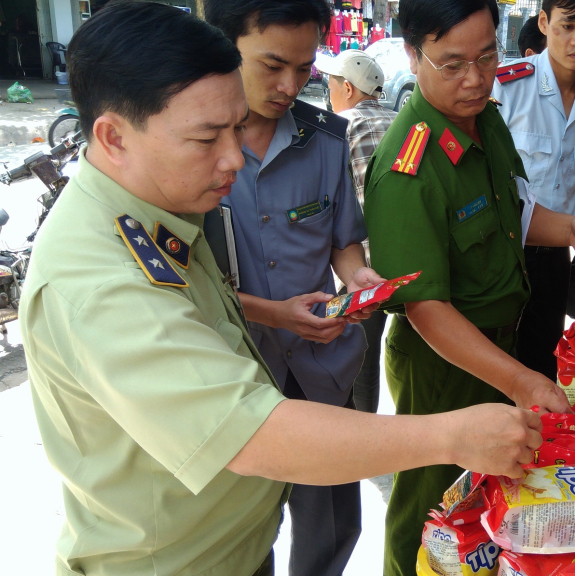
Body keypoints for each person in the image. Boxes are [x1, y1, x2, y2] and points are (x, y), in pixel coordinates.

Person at [21, 3, 544, 576]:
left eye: (234, 129)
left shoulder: (162, 211)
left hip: (233, 542)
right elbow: (253, 434)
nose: (231, 160)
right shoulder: (98, 281)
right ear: (113, 136)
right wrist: (452, 436)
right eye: (207, 138)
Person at [362, 1, 575, 574]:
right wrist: (522, 379)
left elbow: (513, 210)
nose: (474, 78)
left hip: (503, 342)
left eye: (486, 56)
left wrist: (568, 229)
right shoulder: (408, 168)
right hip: (443, 360)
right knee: (428, 506)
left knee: (481, 500)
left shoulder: (487, 119)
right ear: (411, 55)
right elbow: (425, 308)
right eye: (452, 64)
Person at [202, 2, 379, 574]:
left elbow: (342, 240)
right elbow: (179, 283)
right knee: (241, 528)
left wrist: (358, 279)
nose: (288, 86)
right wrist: (272, 313)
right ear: (225, 46)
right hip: (229, 369)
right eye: (273, 65)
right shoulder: (192, 147)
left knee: (329, 522)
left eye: (304, 70)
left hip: (317, 365)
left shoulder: (325, 140)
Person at [492, 0, 575, 381]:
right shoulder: (508, 85)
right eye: (568, 26)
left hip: (553, 258)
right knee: (494, 359)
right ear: (544, 22)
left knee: (542, 358)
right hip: (500, 248)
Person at [318, 48, 399, 415]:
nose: (328, 90)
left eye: (330, 83)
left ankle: (363, 426)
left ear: (347, 88)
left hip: (364, 267)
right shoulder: (403, 122)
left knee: (359, 356)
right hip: (415, 260)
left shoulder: (339, 127)